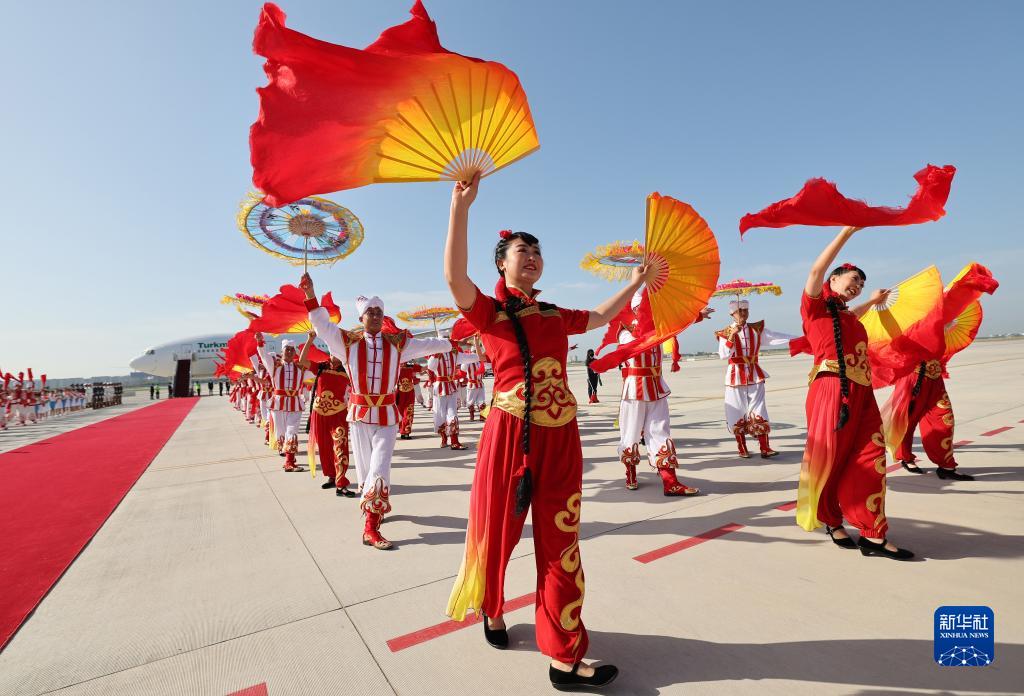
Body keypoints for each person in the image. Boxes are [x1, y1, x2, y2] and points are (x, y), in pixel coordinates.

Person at [443, 173, 647, 690]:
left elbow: (599, 315)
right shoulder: (489, 312)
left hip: (561, 436)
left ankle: (564, 654)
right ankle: (492, 607)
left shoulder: (555, 314)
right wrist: (460, 208)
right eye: (522, 250)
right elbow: (454, 278)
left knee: (563, 541)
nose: (532, 257)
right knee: (500, 533)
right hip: (510, 434)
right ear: (502, 263)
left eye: (537, 251)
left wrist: (636, 282)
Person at [303, 274, 456, 550]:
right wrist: (310, 295)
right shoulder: (347, 343)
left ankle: (371, 527)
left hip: (387, 416)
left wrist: (450, 342)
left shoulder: (397, 343)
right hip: (359, 416)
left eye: (379, 312)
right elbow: (322, 326)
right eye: (370, 312)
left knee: (380, 466)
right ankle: (371, 511)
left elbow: (428, 345)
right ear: (361, 317)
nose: (374, 316)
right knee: (365, 472)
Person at [796, 226, 913, 560]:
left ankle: (873, 533)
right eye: (853, 279)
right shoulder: (815, 308)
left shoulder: (845, 316)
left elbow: (852, 315)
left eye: (861, 283)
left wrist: (872, 301)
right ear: (833, 280)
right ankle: (831, 519)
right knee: (832, 459)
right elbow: (815, 271)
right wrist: (847, 231)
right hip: (832, 389)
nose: (857, 285)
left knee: (870, 456)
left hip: (862, 391)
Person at [715, 299, 794, 458]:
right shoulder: (725, 332)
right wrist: (732, 335)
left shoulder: (756, 329)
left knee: (759, 409)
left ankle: (765, 447)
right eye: (740, 311)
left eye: (745, 310)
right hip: (735, 377)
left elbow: (776, 337)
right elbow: (723, 355)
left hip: (755, 375)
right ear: (732, 314)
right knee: (736, 410)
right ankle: (742, 447)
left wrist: (801, 338)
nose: (743, 314)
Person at [299, 332, 355, 496]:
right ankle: (332, 476)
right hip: (319, 414)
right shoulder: (321, 366)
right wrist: (310, 340)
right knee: (324, 448)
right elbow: (302, 360)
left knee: (340, 446)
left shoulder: (348, 369)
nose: (335, 353)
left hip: (338, 414)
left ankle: (341, 483)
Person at [256, 334, 310, 472]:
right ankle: (286, 454)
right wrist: (260, 342)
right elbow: (264, 356)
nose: (290, 352)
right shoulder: (274, 366)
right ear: (282, 351)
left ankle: (289, 461)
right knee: (280, 432)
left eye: (292, 349)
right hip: (278, 403)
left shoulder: (300, 367)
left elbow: (313, 373)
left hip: (295, 403)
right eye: (287, 349)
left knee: (292, 431)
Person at [427, 347, 478, 449]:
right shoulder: (436, 353)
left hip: (451, 386)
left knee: (453, 414)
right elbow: (431, 367)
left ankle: (455, 441)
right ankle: (444, 439)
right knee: (440, 415)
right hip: (440, 387)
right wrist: (435, 354)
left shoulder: (454, 353)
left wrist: (480, 355)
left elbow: (468, 358)